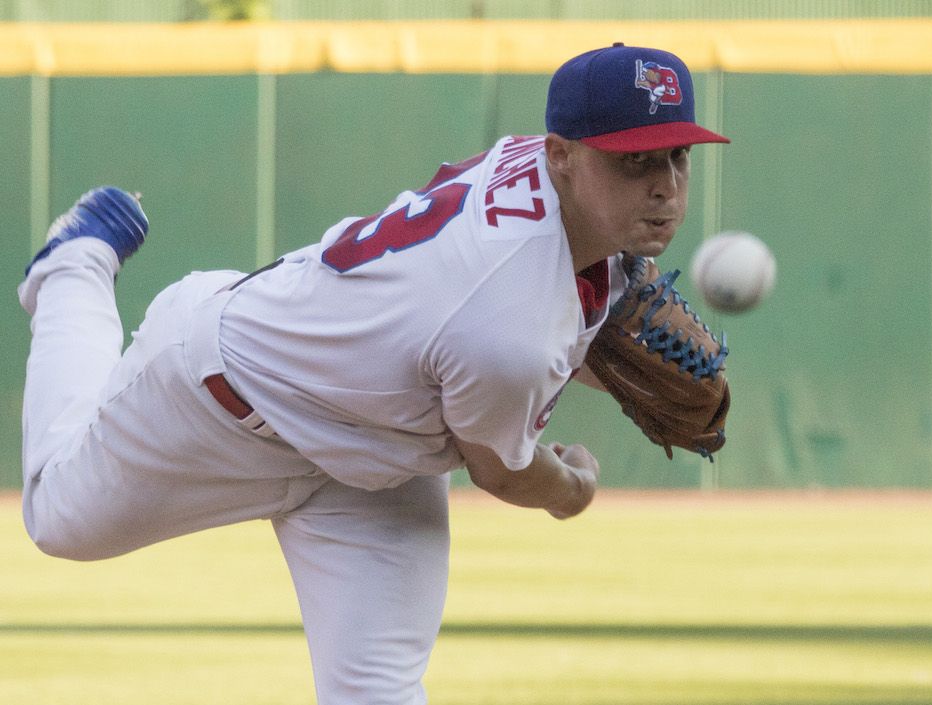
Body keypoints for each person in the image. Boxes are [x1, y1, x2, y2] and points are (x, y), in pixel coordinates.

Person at [17, 43, 729, 704]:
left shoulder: (540, 194)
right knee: (55, 517)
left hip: (373, 462)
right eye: (633, 162)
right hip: (220, 396)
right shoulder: (506, 320)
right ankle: (72, 265)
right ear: (561, 154)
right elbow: (504, 471)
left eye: (676, 158)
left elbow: (526, 324)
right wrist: (571, 487)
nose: (664, 187)